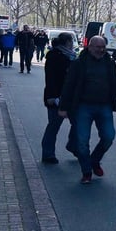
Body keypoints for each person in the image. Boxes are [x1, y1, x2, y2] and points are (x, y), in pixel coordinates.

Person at [59, 36, 116, 184]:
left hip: (104, 106)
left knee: (109, 136)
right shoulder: (79, 63)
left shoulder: (109, 63)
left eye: (103, 47)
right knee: (82, 141)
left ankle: (94, 160)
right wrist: (63, 107)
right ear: (90, 47)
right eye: (98, 47)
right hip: (83, 106)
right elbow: (69, 85)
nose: (101, 50)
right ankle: (86, 171)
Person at [40, 33, 79, 164]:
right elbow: (50, 78)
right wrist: (52, 96)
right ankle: (48, 153)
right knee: (54, 125)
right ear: (68, 42)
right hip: (56, 96)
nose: (73, 44)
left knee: (78, 124)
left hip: (71, 96)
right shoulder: (54, 56)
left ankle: (73, 146)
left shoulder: (72, 56)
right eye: (72, 41)